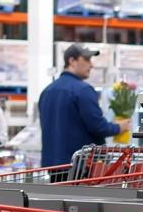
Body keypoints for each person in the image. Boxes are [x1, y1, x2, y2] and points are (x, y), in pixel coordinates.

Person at [38, 44, 129, 179]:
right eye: (87, 60)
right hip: (80, 167)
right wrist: (119, 127)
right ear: (72, 61)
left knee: (59, 198)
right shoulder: (83, 90)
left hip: (53, 166)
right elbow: (97, 127)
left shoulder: (47, 91)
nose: (91, 65)